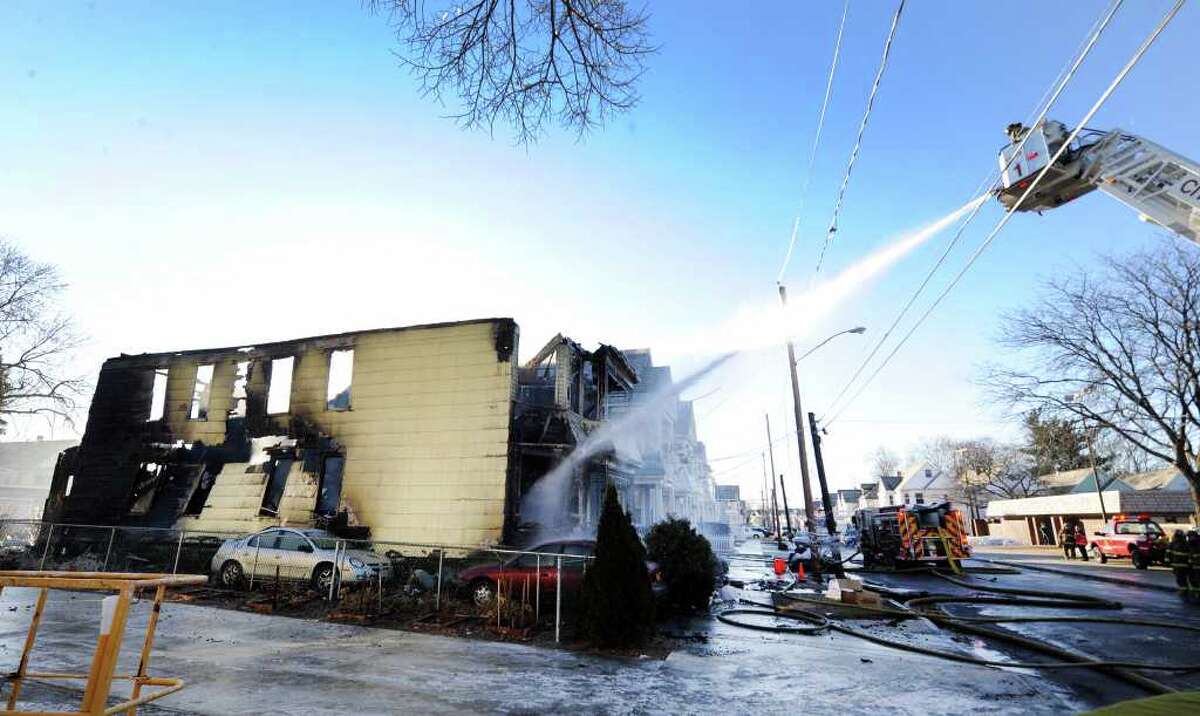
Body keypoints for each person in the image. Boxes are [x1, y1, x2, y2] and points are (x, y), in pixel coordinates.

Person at [1187, 531, 1200, 600]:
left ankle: (1197, 593)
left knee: (1196, 579)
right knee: (1194, 579)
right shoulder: (1191, 543)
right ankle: (1196, 593)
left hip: (1196, 565)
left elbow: (1192, 554)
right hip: (1194, 565)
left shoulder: (1193, 543)